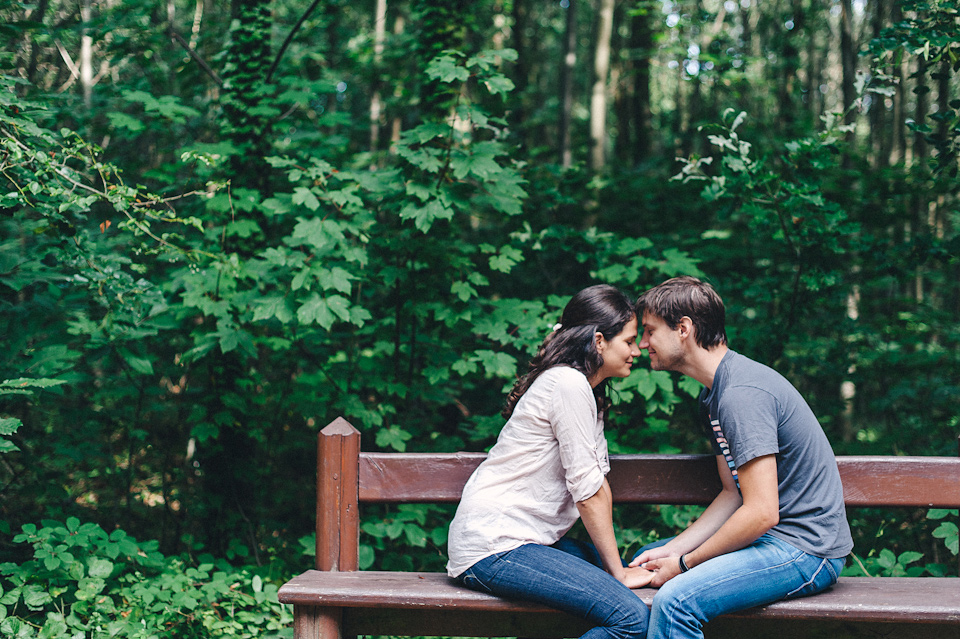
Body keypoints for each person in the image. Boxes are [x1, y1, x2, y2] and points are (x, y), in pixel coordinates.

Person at [629, 276, 853, 639]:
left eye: (650, 331)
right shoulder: (713, 397)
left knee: (676, 602)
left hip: (806, 549)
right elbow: (733, 495)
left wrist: (684, 564)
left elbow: (762, 511)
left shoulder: (741, 395)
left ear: (682, 328)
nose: (643, 344)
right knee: (647, 558)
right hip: (772, 540)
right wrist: (670, 552)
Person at [446, 284, 654, 639]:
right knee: (631, 618)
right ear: (600, 341)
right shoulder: (567, 385)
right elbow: (588, 492)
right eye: (630, 340)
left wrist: (614, 567)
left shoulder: (582, 388)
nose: (637, 350)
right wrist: (616, 571)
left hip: (518, 543)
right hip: (496, 546)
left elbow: (594, 485)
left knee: (626, 571)